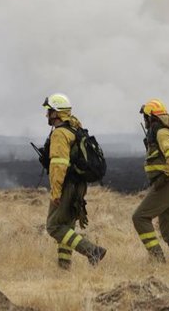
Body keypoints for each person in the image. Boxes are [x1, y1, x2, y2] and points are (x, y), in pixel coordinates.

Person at [40, 93, 106, 270]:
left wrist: (56, 191)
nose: (47, 115)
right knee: (66, 227)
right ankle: (64, 267)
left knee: (54, 227)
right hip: (78, 185)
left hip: (66, 185)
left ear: (56, 113)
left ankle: (93, 251)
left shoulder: (60, 133)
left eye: (49, 111)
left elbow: (58, 165)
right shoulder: (74, 129)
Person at [132, 98, 169, 263]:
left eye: (146, 117)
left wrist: (164, 177)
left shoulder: (162, 133)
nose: (145, 121)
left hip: (168, 183)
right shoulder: (161, 132)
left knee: (140, 217)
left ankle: (157, 258)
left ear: (152, 118)